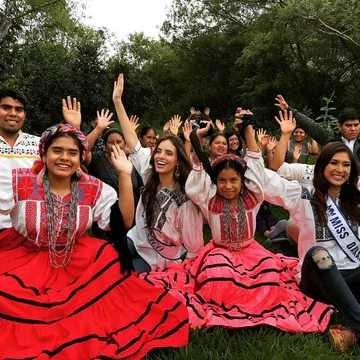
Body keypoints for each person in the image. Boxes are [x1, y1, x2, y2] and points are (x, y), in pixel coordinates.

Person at [0, 123, 189, 359]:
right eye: (57, 150)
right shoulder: (20, 181)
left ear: (81, 157)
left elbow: (125, 220)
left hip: (75, 257)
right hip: (27, 256)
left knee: (109, 269)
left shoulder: (91, 187)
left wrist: (124, 175)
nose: (64, 158)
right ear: (44, 153)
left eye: (72, 152)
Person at [142, 110, 332, 333]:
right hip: (219, 252)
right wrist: (196, 143)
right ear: (216, 183)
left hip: (251, 251)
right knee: (218, 275)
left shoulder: (253, 198)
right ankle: (232, 303)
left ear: (244, 182)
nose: (228, 186)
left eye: (234, 180)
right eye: (222, 181)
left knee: (270, 273)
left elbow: (254, 165)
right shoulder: (210, 200)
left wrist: (248, 131)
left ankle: (252, 307)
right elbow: (197, 181)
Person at [264, 119, 360, 351]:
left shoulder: (355, 203)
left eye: (346, 165)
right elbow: (267, 181)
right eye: (334, 163)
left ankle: (353, 334)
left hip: (352, 276)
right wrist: (251, 136)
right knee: (319, 253)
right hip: (317, 278)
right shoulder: (304, 196)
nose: (340, 170)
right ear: (322, 166)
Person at [113, 74, 204, 273]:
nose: (160, 156)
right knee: (105, 263)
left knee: (123, 279)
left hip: (158, 260)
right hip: (135, 239)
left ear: (178, 161)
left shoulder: (187, 202)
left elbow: (195, 250)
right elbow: (132, 141)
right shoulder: (150, 175)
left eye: (169, 153)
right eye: (159, 151)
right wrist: (118, 102)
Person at [275, 95, 360, 168]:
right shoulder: (330, 139)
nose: (353, 129)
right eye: (348, 126)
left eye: (356, 125)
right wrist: (289, 109)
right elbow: (310, 125)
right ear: (339, 126)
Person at [0, 88, 40, 231]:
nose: (13, 114)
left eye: (19, 110)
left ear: (24, 115)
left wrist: (75, 127)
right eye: (6, 107)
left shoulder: (40, 145)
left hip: (28, 231)